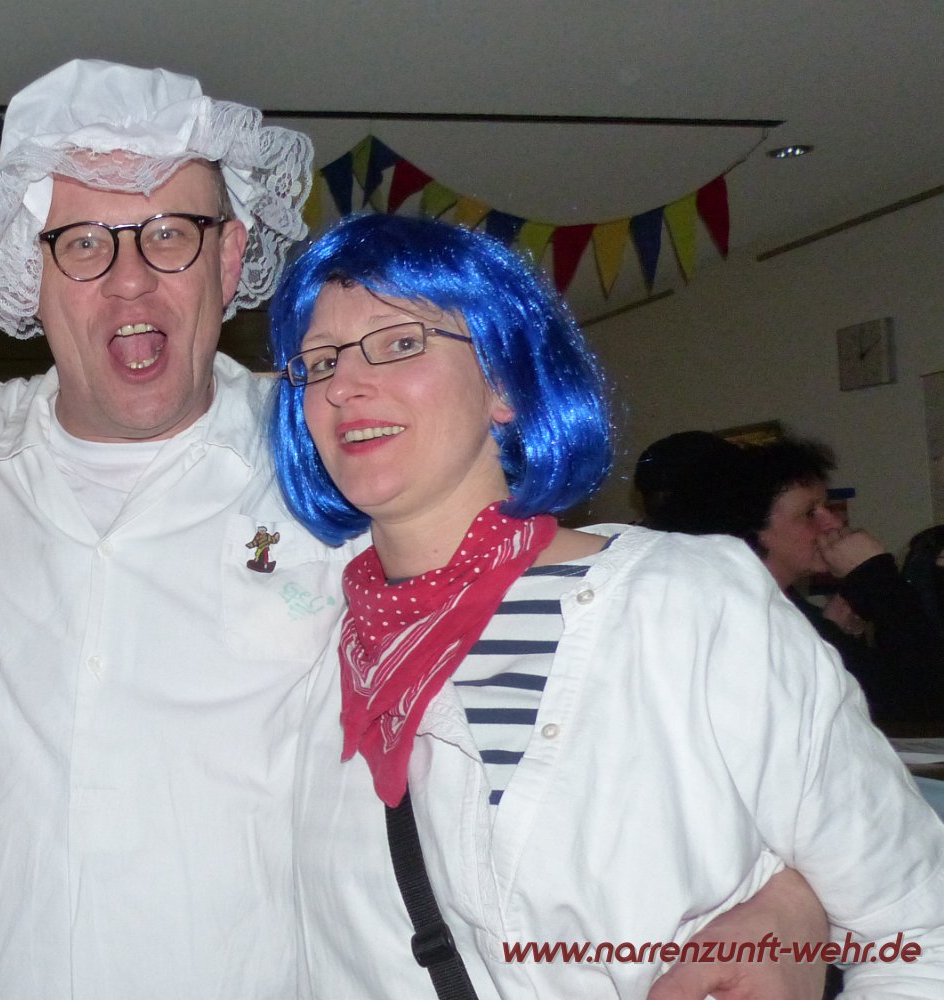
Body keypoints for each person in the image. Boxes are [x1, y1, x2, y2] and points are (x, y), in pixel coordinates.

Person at [0, 59, 826, 999]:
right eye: (83, 242)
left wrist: (792, 898)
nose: (130, 282)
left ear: (229, 259)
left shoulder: (335, 456)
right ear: (29, 273)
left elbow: (585, 650)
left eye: (169, 234)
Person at [267, 214, 944, 997]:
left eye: (399, 343)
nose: (343, 385)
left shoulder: (685, 604)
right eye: (320, 362)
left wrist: (793, 909)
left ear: (502, 383)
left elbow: (918, 932)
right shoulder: (304, 657)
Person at [700, 436, 944, 727]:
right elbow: (924, 701)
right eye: (809, 513)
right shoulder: (744, 617)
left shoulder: (786, 608)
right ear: (754, 528)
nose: (834, 523)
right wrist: (875, 577)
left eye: (826, 507)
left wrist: (832, 631)